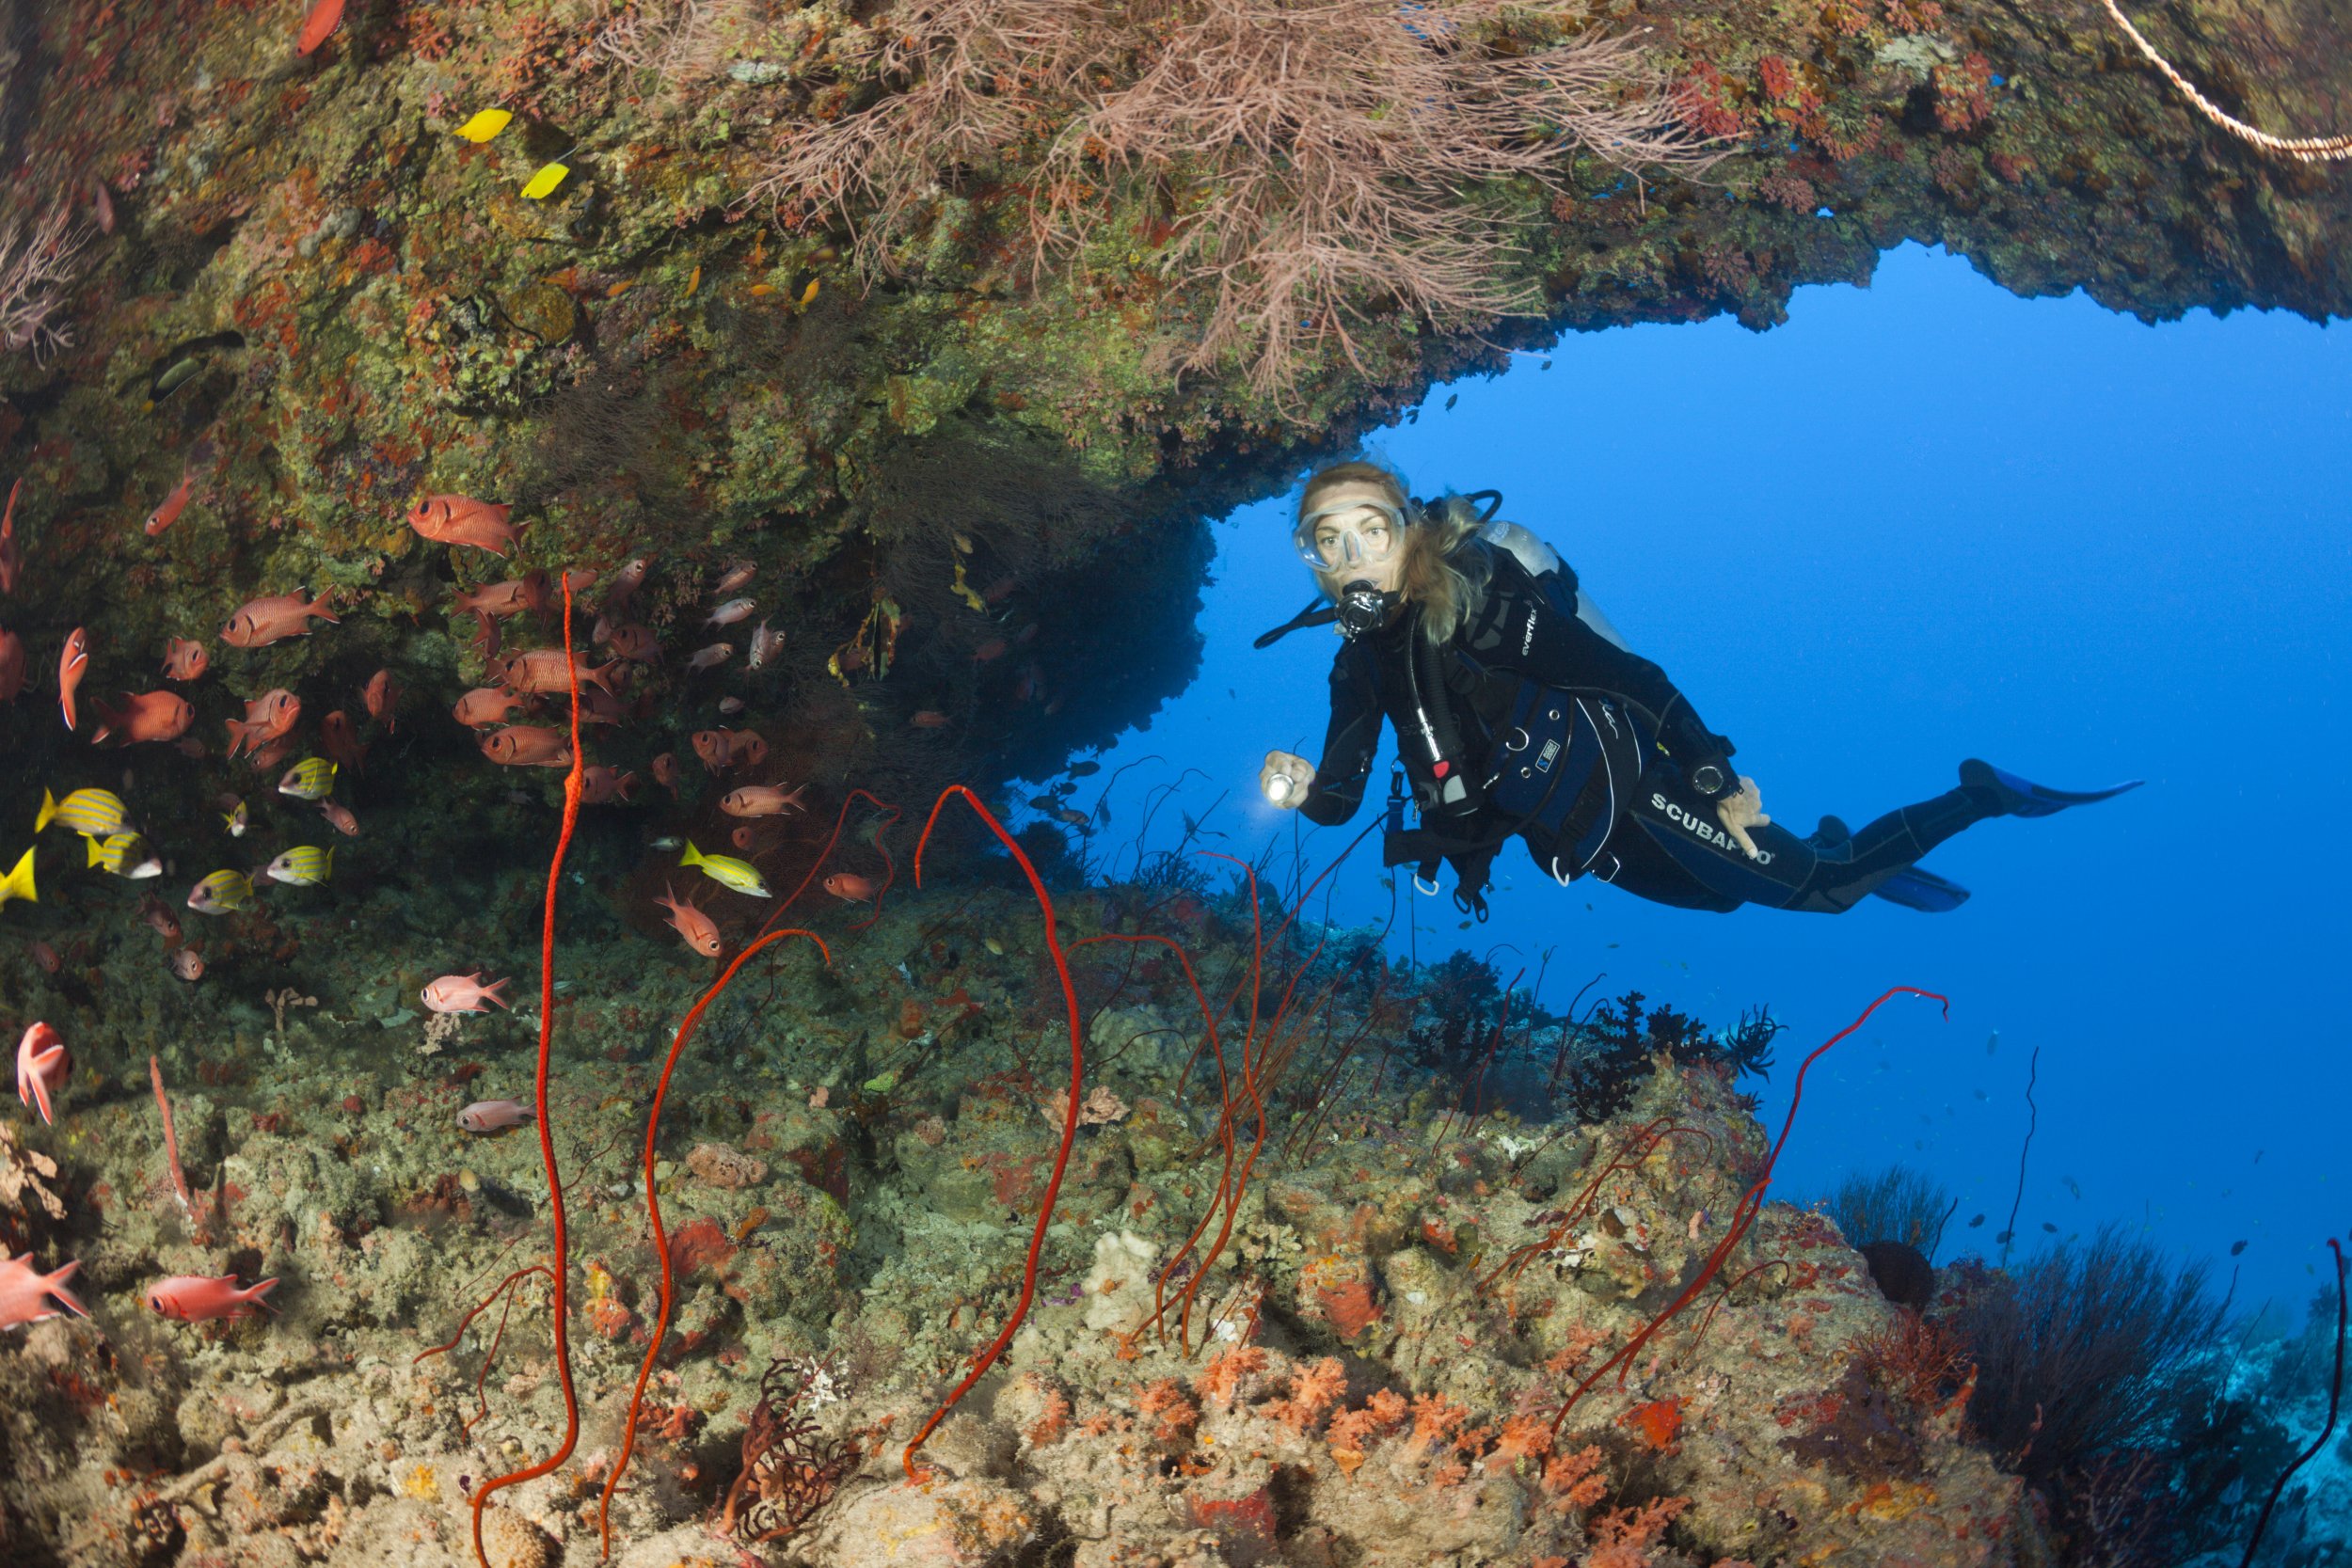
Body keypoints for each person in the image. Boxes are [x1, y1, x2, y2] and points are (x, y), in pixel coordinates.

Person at [1256, 461, 2138, 918]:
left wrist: (1712, 774)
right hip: (1585, 837)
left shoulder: (1484, 605)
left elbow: (1628, 676)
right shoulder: (1359, 661)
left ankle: (1979, 794)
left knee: (1822, 895)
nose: (1348, 558)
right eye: (1322, 543)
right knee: (1720, 899)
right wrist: (1298, 788)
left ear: (1407, 526)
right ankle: (1833, 845)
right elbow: (1340, 799)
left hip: (1643, 789)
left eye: (1367, 529)